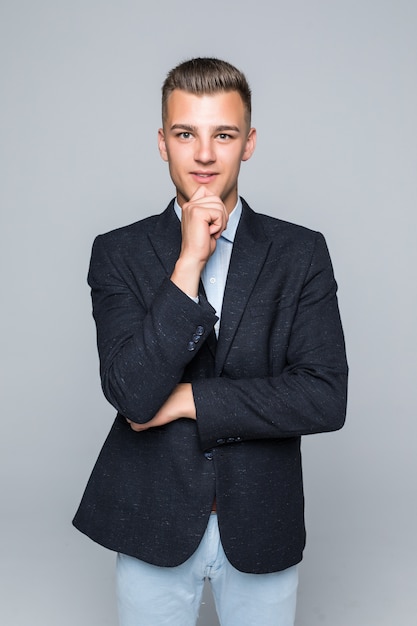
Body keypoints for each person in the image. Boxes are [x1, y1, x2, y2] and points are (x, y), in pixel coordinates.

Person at [73, 57, 348, 626]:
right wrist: (191, 259)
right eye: (185, 134)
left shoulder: (301, 254)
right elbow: (130, 391)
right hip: (153, 520)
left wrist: (186, 401)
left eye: (223, 134)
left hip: (262, 522)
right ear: (162, 143)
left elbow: (324, 397)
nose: (203, 154)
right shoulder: (116, 253)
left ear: (248, 143)